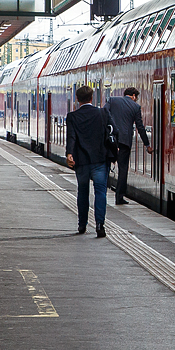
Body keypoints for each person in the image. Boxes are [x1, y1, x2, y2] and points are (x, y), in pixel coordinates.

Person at [65, 85, 112, 238]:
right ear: (92, 98)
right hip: (100, 160)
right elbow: (113, 132)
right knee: (100, 192)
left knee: (83, 192)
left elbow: (71, 137)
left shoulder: (72, 116)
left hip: (82, 162)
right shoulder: (102, 113)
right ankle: (100, 224)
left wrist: (70, 153)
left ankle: (82, 225)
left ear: (77, 100)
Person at [104, 87, 152, 205]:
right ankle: (119, 197)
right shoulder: (135, 107)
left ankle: (101, 192)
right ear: (134, 96)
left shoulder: (112, 100)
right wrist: (147, 144)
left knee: (104, 166)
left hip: (109, 140)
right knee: (123, 169)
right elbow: (140, 127)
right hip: (124, 141)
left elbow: (104, 113)